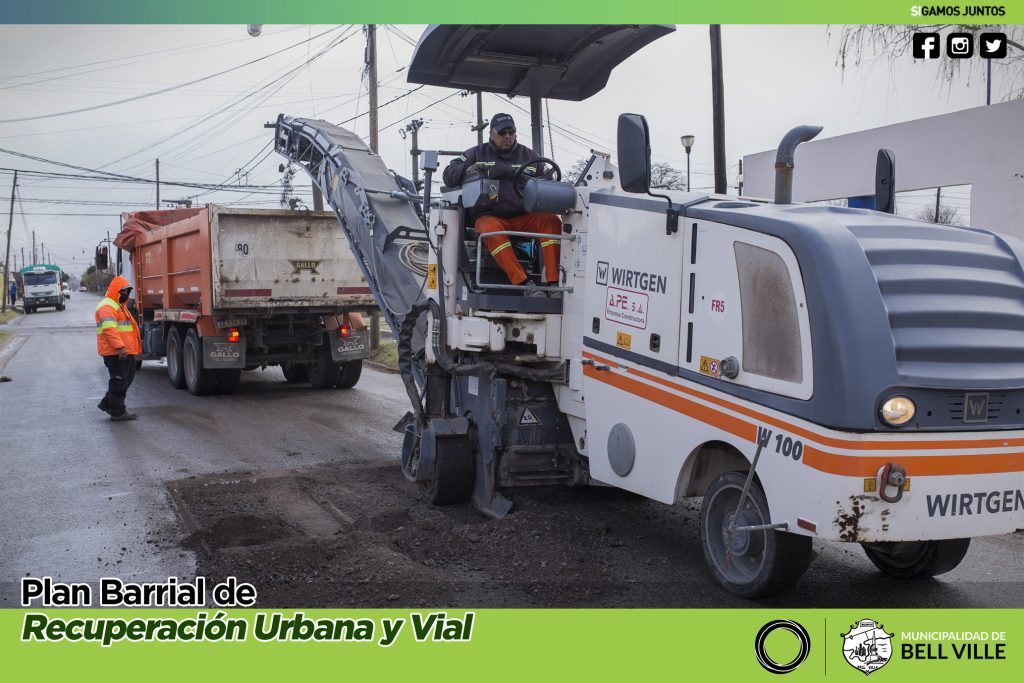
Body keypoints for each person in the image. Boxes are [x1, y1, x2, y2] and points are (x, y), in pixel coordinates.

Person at [442, 113, 562, 294]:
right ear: (491, 134)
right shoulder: (476, 154)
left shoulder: (530, 157)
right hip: (491, 216)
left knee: (551, 221)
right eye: (502, 132)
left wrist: (541, 180)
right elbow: (449, 173)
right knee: (489, 228)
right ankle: (523, 283)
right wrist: (469, 169)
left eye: (511, 132)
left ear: (515, 134)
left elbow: (549, 178)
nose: (507, 136)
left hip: (524, 216)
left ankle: (554, 283)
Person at [95, 275, 141, 422]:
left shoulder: (119, 305)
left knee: (126, 377)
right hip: (115, 352)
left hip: (124, 351)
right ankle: (117, 411)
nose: (126, 294)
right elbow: (110, 330)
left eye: (128, 291)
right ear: (116, 291)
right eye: (124, 291)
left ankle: (107, 403)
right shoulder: (107, 306)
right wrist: (120, 348)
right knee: (119, 380)